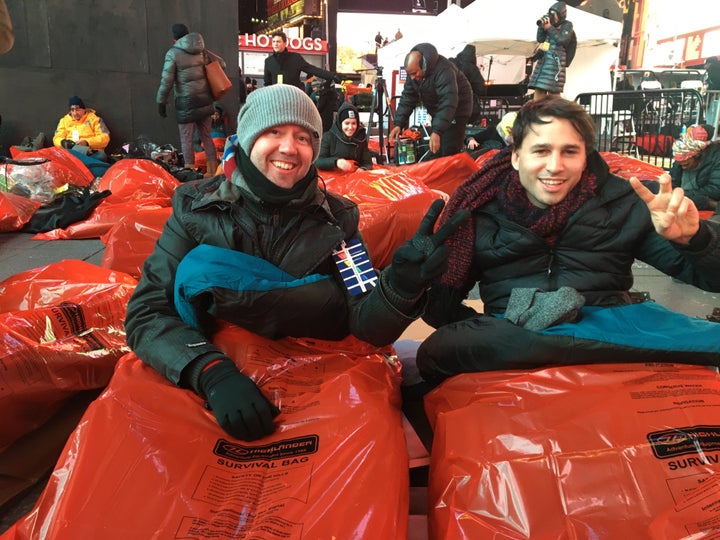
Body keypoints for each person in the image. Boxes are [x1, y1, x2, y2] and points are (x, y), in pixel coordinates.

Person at [124, 84, 467, 442]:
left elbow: (365, 320)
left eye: (303, 137)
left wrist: (400, 289)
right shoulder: (195, 207)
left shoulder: (338, 220)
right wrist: (209, 371)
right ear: (248, 138)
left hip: (311, 379)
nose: (289, 147)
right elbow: (147, 312)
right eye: (274, 131)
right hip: (214, 374)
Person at [415, 97, 720, 386]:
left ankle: (560, 344)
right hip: (516, 335)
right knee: (440, 349)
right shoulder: (479, 208)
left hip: (614, 325)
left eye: (569, 152)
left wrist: (696, 240)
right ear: (517, 157)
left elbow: (711, 277)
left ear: (586, 155)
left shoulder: (627, 200)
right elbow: (441, 309)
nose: (555, 166)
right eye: (541, 151)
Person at [156, 23, 224, 177]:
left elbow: (166, 81)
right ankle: (213, 171)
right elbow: (222, 63)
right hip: (205, 100)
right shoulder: (201, 50)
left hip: (186, 103)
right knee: (207, 136)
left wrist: (161, 102)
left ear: (174, 39)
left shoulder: (173, 53)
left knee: (186, 139)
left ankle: (190, 173)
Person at [389, 43, 473, 160]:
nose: (412, 77)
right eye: (410, 74)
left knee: (448, 150)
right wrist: (398, 123)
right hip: (440, 109)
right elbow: (407, 97)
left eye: (414, 73)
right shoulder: (413, 73)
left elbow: (448, 101)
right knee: (436, 148)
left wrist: (437, 131)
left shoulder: (444, 70)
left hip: (458, 109)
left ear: (424, 66)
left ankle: (450, 175)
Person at [528, 1, 575, 100]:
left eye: (554, 14)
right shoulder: (550, 27)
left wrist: (549, 28)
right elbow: (541, 40)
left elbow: (562, 40)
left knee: (554, 92)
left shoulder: (567, 25)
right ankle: (537, 111)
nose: (552, 16)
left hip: (555, 64)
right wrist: (541, 27)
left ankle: (553, 112)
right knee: (539, 88)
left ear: (560, 15)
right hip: (544, 63)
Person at [263, 31, 339, 90]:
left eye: (278, 41)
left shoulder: (295, 58)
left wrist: (332, 75)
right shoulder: (268, 61)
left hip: (293, 97)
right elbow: (267, 83)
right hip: (276, 99)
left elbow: (311, 69)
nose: (275, 44)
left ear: (285, 43)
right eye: (273, 41)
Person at [670, 124, 720, 211]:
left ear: (698, 156)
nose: (683, 168)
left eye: (686, 164)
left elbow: (715, 190)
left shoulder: (716, 158)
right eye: (681, 164)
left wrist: (683, 194)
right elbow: (673, 181)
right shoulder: (680, 159)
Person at [316, 101, 373, 171]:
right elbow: (318, 161)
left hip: (354, 178)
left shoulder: (361, 137)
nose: (350, 127)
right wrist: (336, 162)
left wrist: (363, 169)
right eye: (347, 123)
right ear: (340, 123)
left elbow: (367, 162)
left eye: (353, 123)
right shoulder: (328, 137)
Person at [52, 96, 111, 161]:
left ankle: (78, 161)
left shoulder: (94, 119)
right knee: (56, 156)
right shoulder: (64, 121)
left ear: (84, 109)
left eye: (77, 109)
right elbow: (56, 138)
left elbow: (105, 138)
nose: (75, 113)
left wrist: (87, 142)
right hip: (71, 151)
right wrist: (63, 142)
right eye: (72, 110)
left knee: (101, 156)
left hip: (91, 152)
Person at [450, 44, 487, 125]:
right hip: (467, 107)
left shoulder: (451, 63)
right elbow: (481, 88)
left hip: (449, 105)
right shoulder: (472, 68)